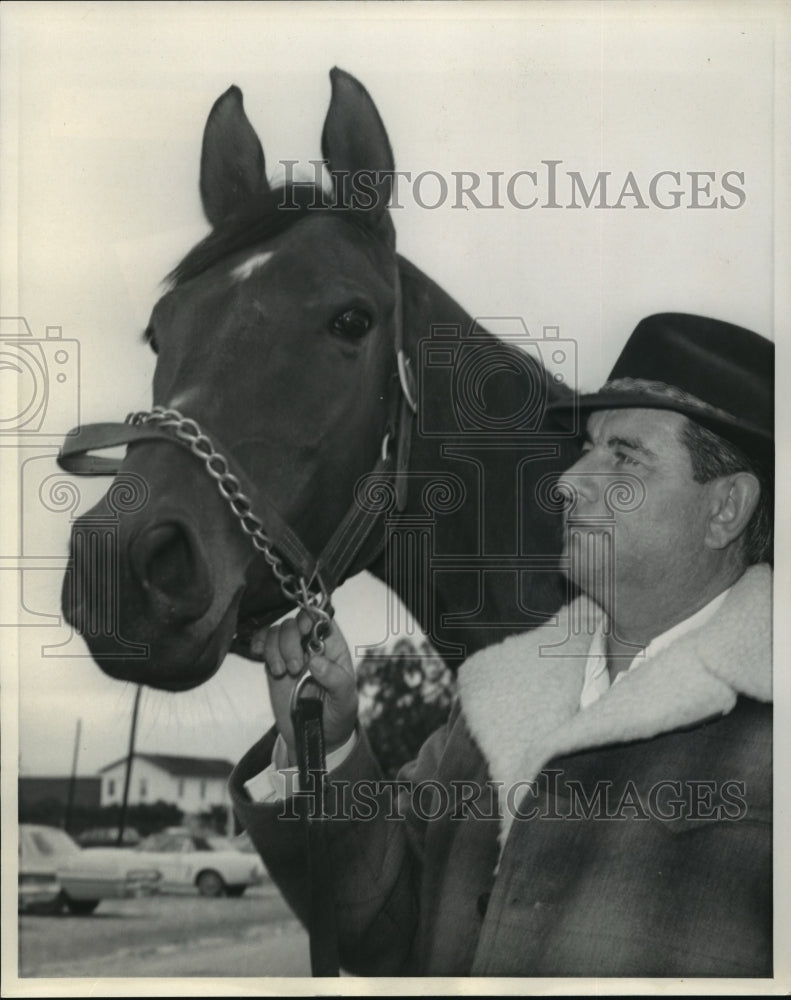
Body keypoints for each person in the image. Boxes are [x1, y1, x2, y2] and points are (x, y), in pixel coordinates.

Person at [229, 312, 773, 978]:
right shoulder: (493, 701)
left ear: (725, 508)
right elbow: (381, 932)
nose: (567, 481)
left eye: (622, 456)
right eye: (585, 447)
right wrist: (329, 742)